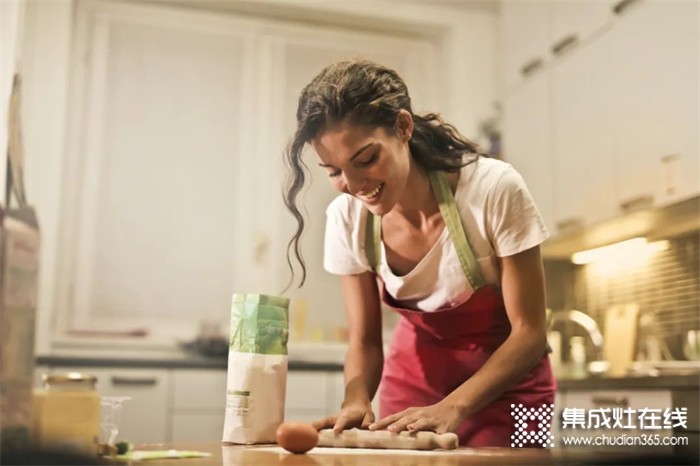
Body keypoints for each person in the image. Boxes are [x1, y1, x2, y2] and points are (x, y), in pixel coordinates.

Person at [283, 60, 556, 447]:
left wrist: (453, 407)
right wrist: (356, 399)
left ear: (403, 127)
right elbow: (363, 340)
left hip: (517, 394)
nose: (355, 185)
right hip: (411, 393)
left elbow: (530, 333)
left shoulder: (494, 190)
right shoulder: (346, 218)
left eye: (365, 160)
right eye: (334, 171)